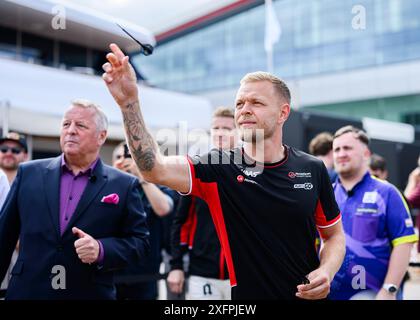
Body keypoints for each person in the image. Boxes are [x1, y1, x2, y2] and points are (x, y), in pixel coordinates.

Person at [102, 43, 345, 300]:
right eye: (239, 103)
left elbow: (334, 236)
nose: (244, 109)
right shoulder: (219, 166)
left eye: (256, 102)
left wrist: (327, 270)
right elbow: (154, 169)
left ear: (283, 112)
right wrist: (129, 103)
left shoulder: (312, 168)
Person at [0, 99, 150, 300]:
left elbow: (140, 243)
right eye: (66, 124)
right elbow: (4, 236)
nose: (70, 131)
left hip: (89, 293)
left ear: (101, 136)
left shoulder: (124, 184)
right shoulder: (29, 173)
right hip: (28, 291)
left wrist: (101, 249)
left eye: (80, 125)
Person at [329, 126, 418, 300]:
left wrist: (389, 290)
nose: (341, 154)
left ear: (366, 154)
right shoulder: (326, 195)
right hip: (330, 294)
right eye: (336, 149)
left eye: (347, 148)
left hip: (374, 293)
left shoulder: (387, 193)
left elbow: (404, 243)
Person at [167, 107, 237, 300]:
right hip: (202, 272)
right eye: (216, 128)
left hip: (242, 273)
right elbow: (181, 222)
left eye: (227, 128)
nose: (220, 133)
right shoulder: (197, 169)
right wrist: (176, 266)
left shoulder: (252, 171)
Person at [112, 142, 176, 300]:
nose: (123, 161)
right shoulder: (106, 186)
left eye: (129, 157)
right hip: (111, 275)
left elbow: (163, 209)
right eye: (118, 157)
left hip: (144, 278)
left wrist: (141, 176)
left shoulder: (157, 187)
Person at [0, 133, 27, 291]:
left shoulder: (34, 182)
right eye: (4, 149)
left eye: (15, 150)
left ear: (25, 155)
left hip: (23, 254)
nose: (9, 153)